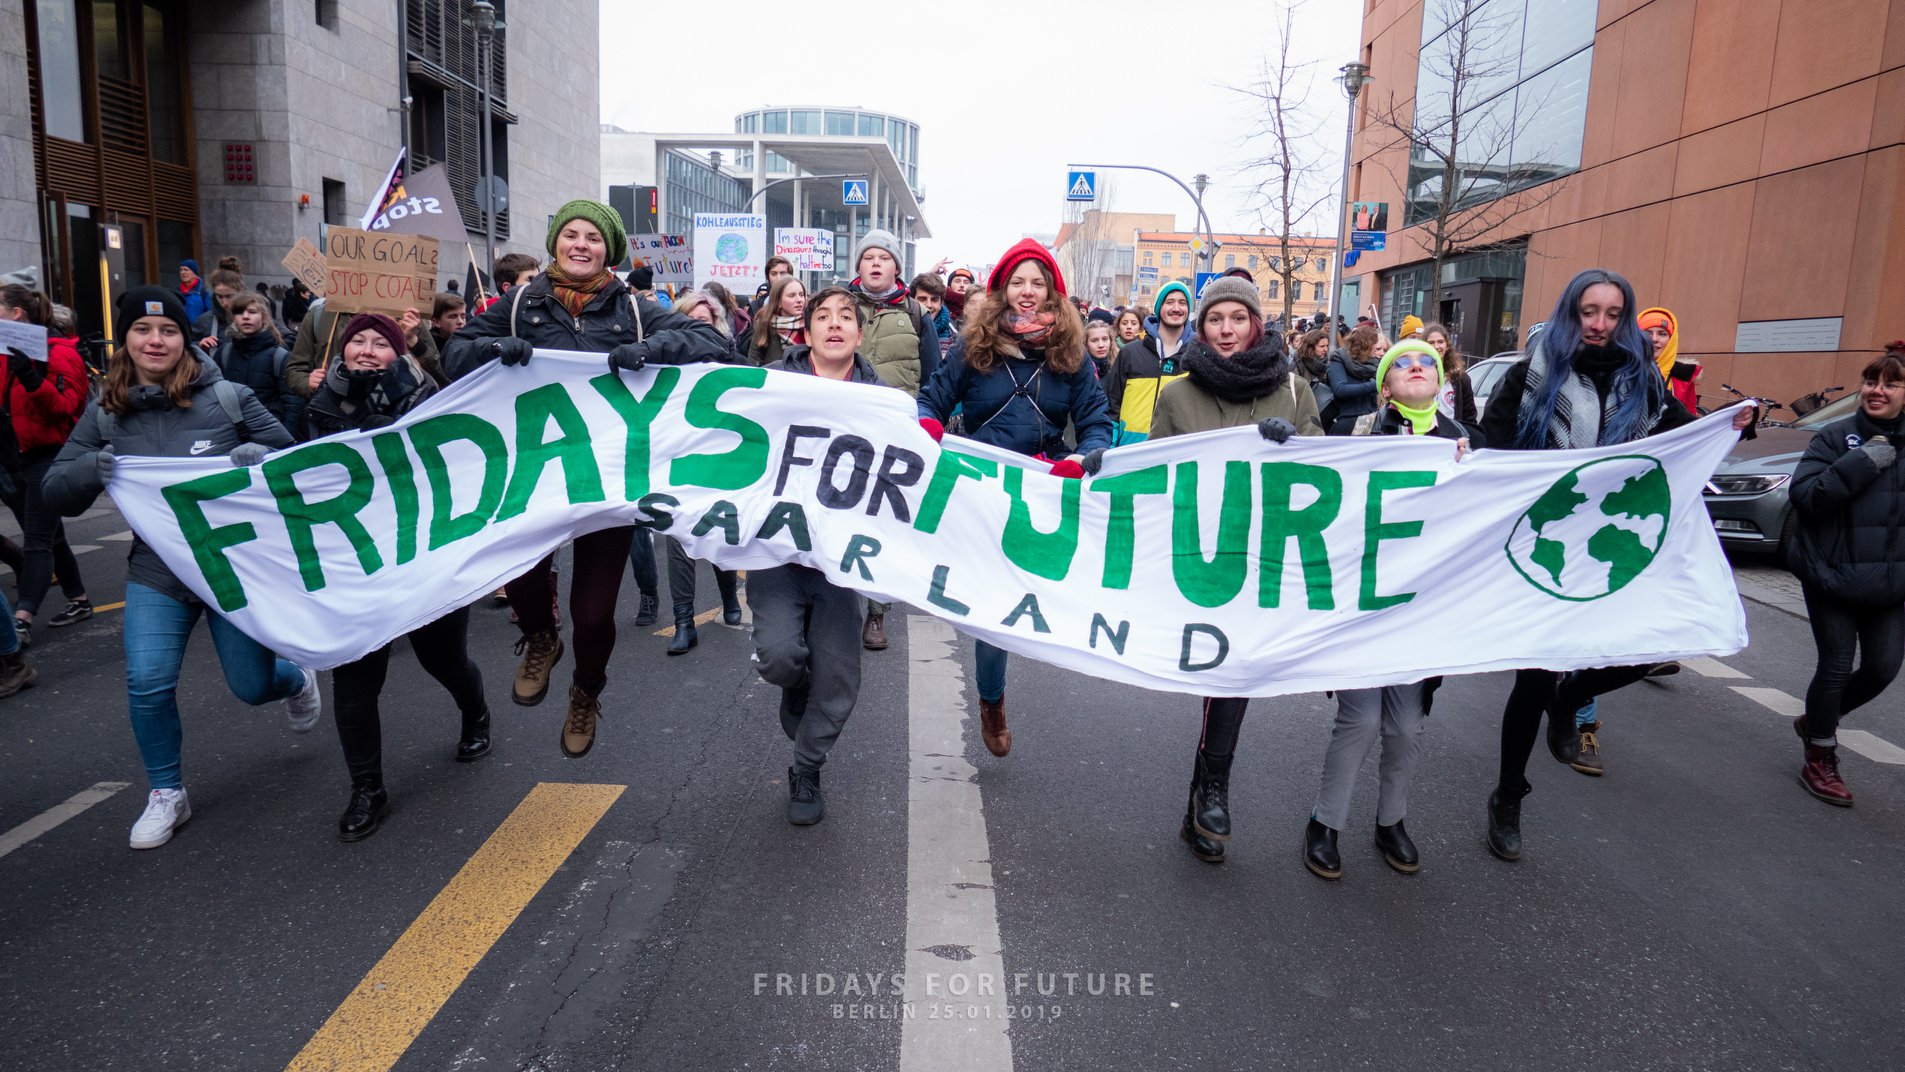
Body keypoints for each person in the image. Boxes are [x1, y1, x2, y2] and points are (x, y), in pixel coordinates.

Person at [1478, 268, 1755, 862]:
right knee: (1533, 678)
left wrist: (1727, 426)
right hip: (1545, 543)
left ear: (1624, 318)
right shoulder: (1532, 376)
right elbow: (1488, 446)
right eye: (1588, 311)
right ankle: (1508, 797)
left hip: (1613, 544)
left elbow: (1681, 441)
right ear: (1570, 313)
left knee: (1650, 648)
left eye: (1611, 313)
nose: (1599, 325)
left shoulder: (1643, 383)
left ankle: (1574, 691)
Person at [445, 198, 729, 757]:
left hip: (607, 477)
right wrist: (492, 347)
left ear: (610, 250)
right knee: (521, 575)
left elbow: (716, 344)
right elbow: (452, 353)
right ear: (555, 242)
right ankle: (542, 638)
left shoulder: (636, 307)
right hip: (531, 471)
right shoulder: (520, 301)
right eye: (570, 234)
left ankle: (585, 688)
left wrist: (651, 347)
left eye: (593, 238)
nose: (581, 244)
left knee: (595, 613)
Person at [43, 286, 319, 850]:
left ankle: (293, 677)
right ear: (126, 340)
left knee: (250, 686)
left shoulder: (229, 397)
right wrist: (88, 473)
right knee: (146, 680)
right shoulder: (106, 412)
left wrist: (257, 459)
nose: (155, 340)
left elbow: (293, 459)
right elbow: (54, 493)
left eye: (168, 330)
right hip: (158, 570)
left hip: (228, 566)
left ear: (184, 337)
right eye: (143, 331)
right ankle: (167, 792)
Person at [1141, 277, 1321, 865]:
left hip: (1267, 554)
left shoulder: (1294, 391)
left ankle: (1207, 793)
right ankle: (1208, 793)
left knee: (1236, 670)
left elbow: (1326, 466)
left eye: (1236, 319)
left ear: (1255, 325)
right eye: (1215, 319)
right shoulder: (1176, 396)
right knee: (1219, 668)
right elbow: (1152, 473)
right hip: (1200, 556)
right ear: (1201, 327)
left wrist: (1292, 445)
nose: (1225, 329)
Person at [917, 238, 1113, 758]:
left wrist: (1086, 453)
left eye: (1038, 282)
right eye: (1018, 282)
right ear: (1004, 289)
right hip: (984, 491)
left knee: (1051, 598)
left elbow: (1097, 421)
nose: (1028, 292)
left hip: (1047, 491)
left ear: (1052, 292)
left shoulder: (1072, 355)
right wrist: (929, 427)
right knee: (995, 607)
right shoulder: (973, 346)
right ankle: (992, 702)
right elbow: (932, 400)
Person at [305, 312, 488, 841]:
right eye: (355, 341)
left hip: (421, 552)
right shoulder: (319, 405)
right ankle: (367, 788)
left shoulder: (429, 397)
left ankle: (475, 712)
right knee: (355, 675)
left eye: (378, 343)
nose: (365, 350)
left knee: (443, 659)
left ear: (399, 352)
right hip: (355, 560)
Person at [1305, 339, 1476, 878]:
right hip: (1362, 604)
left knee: (1406, 725)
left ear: (1441, 381)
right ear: (1384, 388)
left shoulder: (1467, 445)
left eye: (1426, 360)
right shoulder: (1356, 437)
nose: (1416, 367)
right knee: (1360, 717)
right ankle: (1325, 823)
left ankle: (1391, 821)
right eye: (1401, 362)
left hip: (1421, 612)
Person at [755, 286, 888, 824]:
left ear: (859, 333)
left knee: (839, 677)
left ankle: (806, 768)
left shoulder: (884, 403)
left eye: (846, 317)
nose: (835, 325)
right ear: (805, 332)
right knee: (780, 657)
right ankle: (796, 682)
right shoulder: (772, 387)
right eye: (822, 317)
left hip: (840, 563)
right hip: (777, 552)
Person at [1785, 342, 1905, 807]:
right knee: (1836, 666)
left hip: (1888, 581)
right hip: (1831, 572)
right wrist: (1862, 462)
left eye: (1891, 384)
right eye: (1871, 381)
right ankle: (1820, 753)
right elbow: (1807, 497)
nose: (1877, 391)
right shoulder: (1835, 438)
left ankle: (1816, 719)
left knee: (1881, 669)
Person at [654, 290, 746, 651]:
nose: (696, 328)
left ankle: (730, 598)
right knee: (676, 537)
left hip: (720, 463)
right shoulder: (659, 363)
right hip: (675, 463)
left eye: (704, 322)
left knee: (716, 535)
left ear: (718, 325)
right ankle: (683, 622)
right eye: (689, 321)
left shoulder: (732, 361)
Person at [1, 285, 92, 645]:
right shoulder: (8, 353)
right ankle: (79, 599)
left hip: (50, 455)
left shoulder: (60, 353)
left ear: (17, 315)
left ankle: (21, 619)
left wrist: (33, 379)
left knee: (37, 538)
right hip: (17, 456)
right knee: (52, 535)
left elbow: (65, 409)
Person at [849, 229, 938, 396]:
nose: (876, 263)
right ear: (859, 268)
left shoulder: (918, 314)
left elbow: (933, 378)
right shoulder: (840, 308)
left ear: (897, 268)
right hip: (847, 412)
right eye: (868, 258)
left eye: (884, 258)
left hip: (897, 416)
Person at [1103, 281, 1193, 444]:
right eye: (1170, 302)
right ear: (1159, 308)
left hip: (1176, 457)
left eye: (1182, 302)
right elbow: (1111, 408)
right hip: (1130, 453)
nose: (1176, 308)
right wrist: (1108, 448)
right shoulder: (1130, 353)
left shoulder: (1197, 357)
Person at [212, 292, 305, 437]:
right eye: (239, 312)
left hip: (269, 434)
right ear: (233, 318)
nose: (246, 317)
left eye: (252, 312)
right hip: (231, 433)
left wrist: (286, 439)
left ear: (264, 317)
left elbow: (293, 403)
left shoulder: (279, 356)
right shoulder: (225, 353)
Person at [1641, 307, 1700, 414]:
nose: (1654, 339)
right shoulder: (1620, 370)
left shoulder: (1683, 376)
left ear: (1671, 340)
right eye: (1647, 333)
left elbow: (1690, 419)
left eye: (1662, 334)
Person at [1326, 323, 1383, 428]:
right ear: (1366, 345)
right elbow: (1341, 389)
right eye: (1376, 345)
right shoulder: (1339, 359)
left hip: (1369, 420)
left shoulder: (1373, 363)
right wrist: (1376, 384)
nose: (1380, 351)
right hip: (1345, 420)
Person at [1421, 321, 1477, 424]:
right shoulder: (1417, 374)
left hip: (1451, 436)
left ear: (1447, 346)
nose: (1436, 346)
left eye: (1440, 342)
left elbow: (1469, 416)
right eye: (1431, 343)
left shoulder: (1460, 378)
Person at [747, 276, 808, 366]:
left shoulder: (812, 325)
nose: (799, 300)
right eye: (792, 295)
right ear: (778, 301)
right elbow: (753, 363)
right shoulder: (764, 325)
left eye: (801, 294)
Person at [193, 262, 246, 353]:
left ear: (240, 292)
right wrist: (198, 345)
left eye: (229, 296)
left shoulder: (257, 317)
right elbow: (186, 346)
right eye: (220, 297)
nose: (224, 303)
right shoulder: (205, 321)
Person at [911, 273, 952, 356]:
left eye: (934, 300)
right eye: (922, 299)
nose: (928, 305)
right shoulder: (900, 330)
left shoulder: (955, 338)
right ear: (911, 301)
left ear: (941, 304)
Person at [430, 291, 468, 356]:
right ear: (437, 322)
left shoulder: (469, 342)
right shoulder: (429, 347)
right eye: (453, 316)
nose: (460, 321)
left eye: (463, 316)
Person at [177, 259, 212, 324]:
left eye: (186, 270)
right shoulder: (177, 292)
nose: (183, 272)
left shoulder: (204, 292)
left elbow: (210, 313)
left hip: (199, 331)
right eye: (181, 270)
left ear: (195, 274)